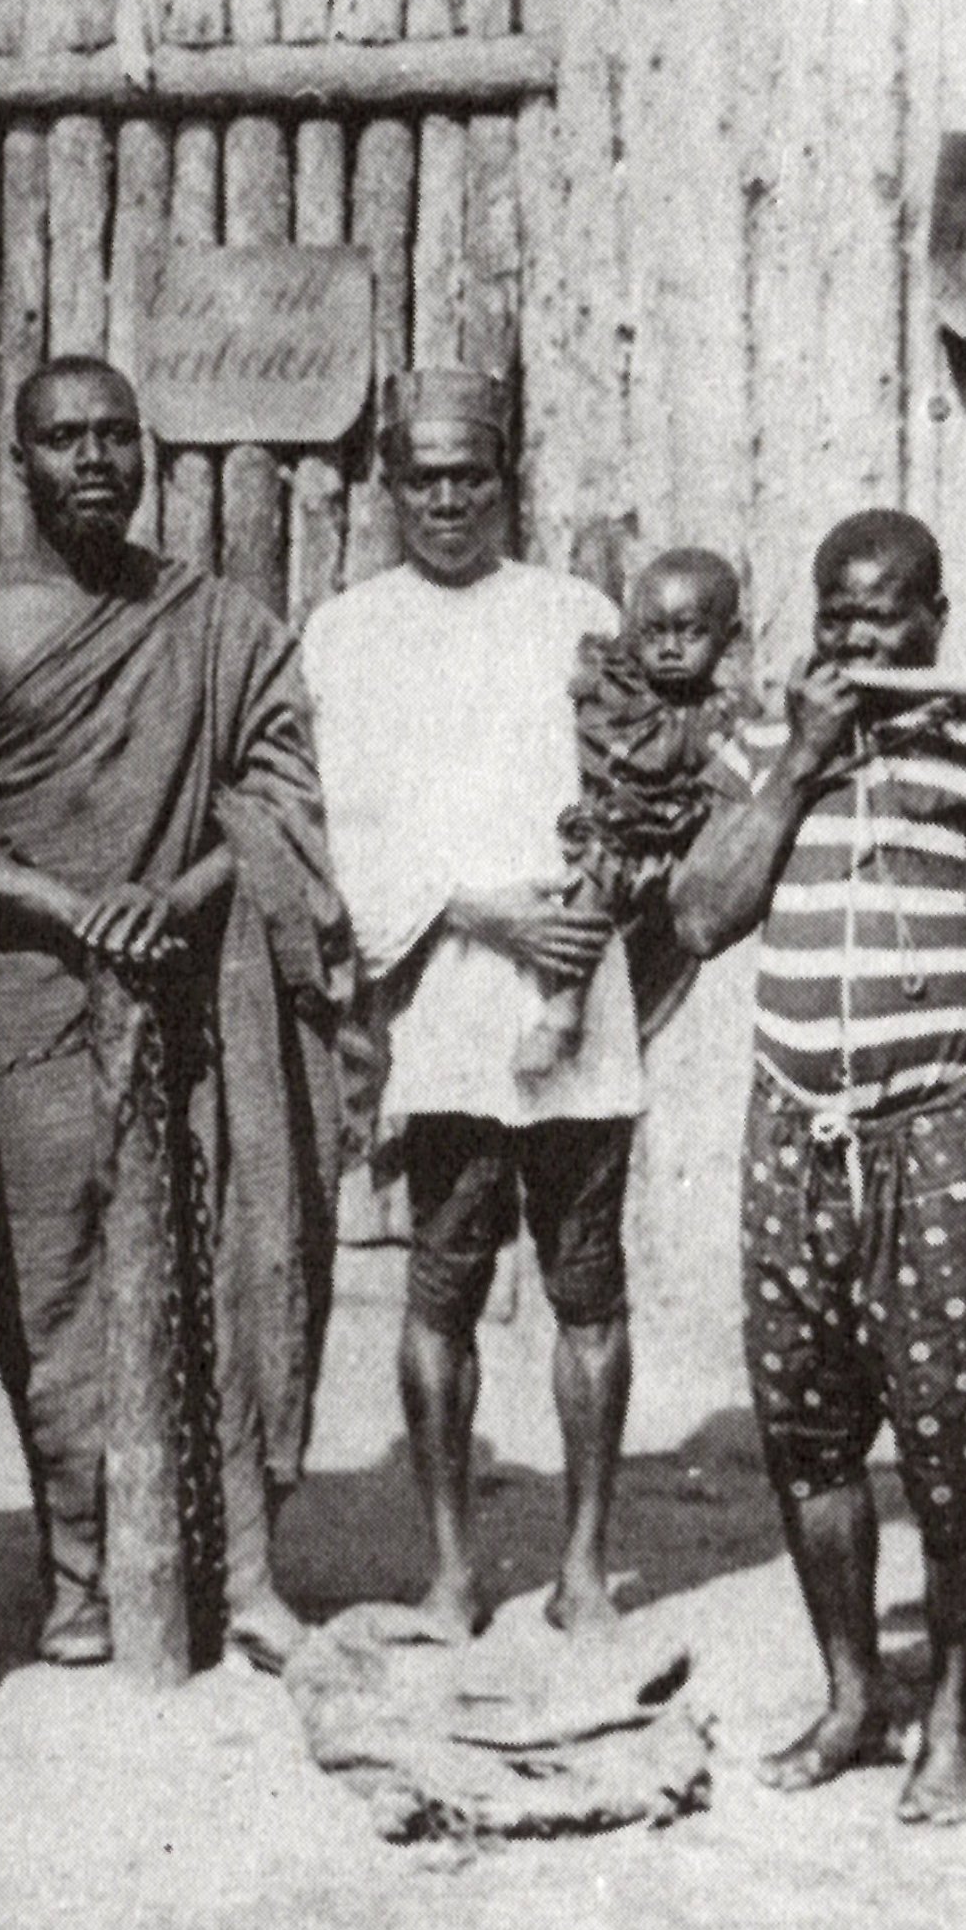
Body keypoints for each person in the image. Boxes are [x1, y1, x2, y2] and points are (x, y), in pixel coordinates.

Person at [0, 356, 350, 1673]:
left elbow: (275, 797)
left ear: (145, 456)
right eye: (62, 438)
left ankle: (241, 1569)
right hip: (31, 996)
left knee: (228, 1250)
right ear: (17, 460)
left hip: (195, 975)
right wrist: (57, 902)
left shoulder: (218, 620)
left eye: (114, 437)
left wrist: (177, 892)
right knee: (53, 1285)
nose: (92, 458)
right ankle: (85, 1571)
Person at [671, 509, 966, 1826]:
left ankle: (948, 1721)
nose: (856, 636)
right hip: (791, 1131)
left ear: (934, 621)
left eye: (883, 614)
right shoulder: (758, 744)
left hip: (932, 1134)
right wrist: (799, 757)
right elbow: (696, 912)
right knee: (805, 1436)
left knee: (950, 1451)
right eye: (834, 613)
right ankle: (851, 1697)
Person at [299, 368, 639, 1642]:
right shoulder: (344, 631)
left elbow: (634, 792)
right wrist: (468, 907)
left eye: (472, 473)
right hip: (441, 997)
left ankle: (588, 1563)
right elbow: (341, 820)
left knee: (587, 1282)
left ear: (507, 479)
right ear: (388, 484)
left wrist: (581, 916)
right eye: (423, 475)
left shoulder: (575, 614)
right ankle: (450, 1570)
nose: (449, 497)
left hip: (572, 991)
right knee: (440, 1284)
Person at [518, 546, 752, 1075]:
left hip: (681, 845)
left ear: (727, 637)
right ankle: (563, 1012)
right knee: (588, 888)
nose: (669, 649)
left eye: (689, 633)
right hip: (615, 834)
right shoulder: (617, 684)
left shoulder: (726, 713)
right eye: (653, 633)